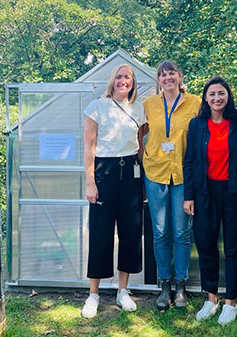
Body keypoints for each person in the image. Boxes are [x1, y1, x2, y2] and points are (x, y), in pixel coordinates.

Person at [81, 64, 147, 319]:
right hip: (104, 173)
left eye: (127, 77)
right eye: (118, 77)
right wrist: (90, 182)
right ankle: (94, 294)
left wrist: (142, 181)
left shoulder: (139, 109)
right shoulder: (96, 107)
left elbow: (140, 146)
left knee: (131, 232)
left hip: (130, 172)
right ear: (112, 81)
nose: (123, 81)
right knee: (100, 232)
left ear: (132, 82)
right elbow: (89, 147)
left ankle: (123, 290)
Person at [183, 76, 237, 324]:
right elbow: (189, 161)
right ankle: (211, 298)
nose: (217, 98)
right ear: (206, 98)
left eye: (221, 93)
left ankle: (230, 301)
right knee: (205, 244)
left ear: (228, 96)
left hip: (233, 192)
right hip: (204, 192)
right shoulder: (197, 124)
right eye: (212, 94)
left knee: (232, 246)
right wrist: (188, 195)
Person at [141, 60, 201, 310]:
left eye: (171, 73)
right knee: (160, 231)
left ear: (180, 76)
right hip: (155, 173)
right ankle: (164, 284)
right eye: (162, 75)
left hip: (183, 175)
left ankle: (181, 285)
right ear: (158, 80)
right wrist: (142, 157)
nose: (167, 78)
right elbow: (136, 131)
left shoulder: (196, 103)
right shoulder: (148, 105)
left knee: (181, 232)